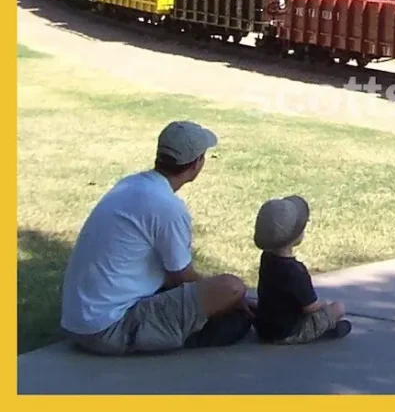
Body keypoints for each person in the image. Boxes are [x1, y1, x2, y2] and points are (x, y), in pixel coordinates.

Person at [60, 121, 256, 355]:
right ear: (197, 164)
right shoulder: (168, 207)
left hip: (80, 320)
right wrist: (227, 297)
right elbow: (181, 277)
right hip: (109, 327)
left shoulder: (130, 184)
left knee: (225, 301)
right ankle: (178, 334)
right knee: (232, 290)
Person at [252, 195, 350, 344]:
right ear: (295, 236)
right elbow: (310, 307)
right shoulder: (295, 271)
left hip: (264, 327)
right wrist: (324, 305)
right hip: (288, 331)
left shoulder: (266, 258)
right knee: (338, 308)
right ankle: (329, 328)